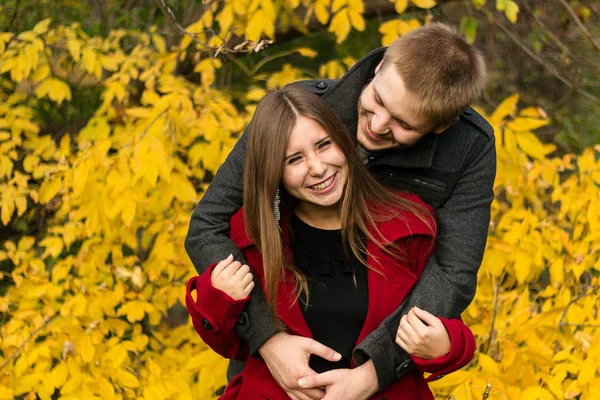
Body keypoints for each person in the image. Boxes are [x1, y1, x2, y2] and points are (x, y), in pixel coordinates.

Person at [185, 23, 495, 397]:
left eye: (402, 124)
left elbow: (453, 275)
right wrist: (268, 339)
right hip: (276, 365)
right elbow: (207, 227)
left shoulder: (469, 147)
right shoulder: (299, 109)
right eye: (378, 101)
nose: (377, 125)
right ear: (379, 66)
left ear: (442, 125)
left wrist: (374, 373)